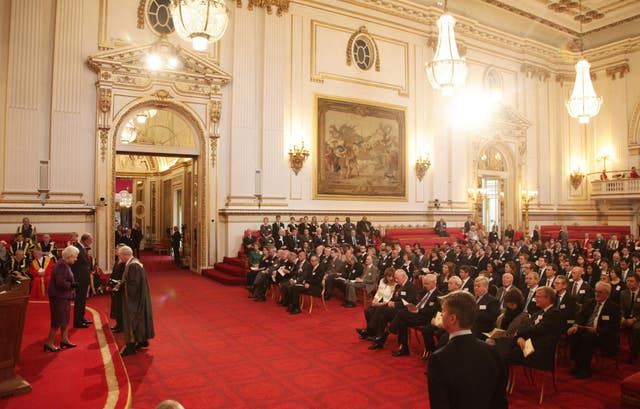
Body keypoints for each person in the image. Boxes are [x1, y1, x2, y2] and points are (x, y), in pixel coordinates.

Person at [427, 291, 508, 409]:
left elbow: (439, 404)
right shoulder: (492, 351)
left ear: (452, 318)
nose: (441, 315)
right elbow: (500, 399)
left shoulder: (438, 359)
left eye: (443, 311)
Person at [567, 281, 621, 378]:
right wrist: (575, 325)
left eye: (600, 292)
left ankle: (585, 368)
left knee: (587, 338)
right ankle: (578, 364)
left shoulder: (614, 308)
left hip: (603, 335)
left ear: (607, 294)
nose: (597, 294)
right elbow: (580, 316)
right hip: (586, 330)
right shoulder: (590, 302)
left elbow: (613, 327)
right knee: (574, 334)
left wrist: (597, 330)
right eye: (596, 291)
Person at [116, 246, 155, 356]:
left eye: (119, 255)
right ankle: (142, 340)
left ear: (125, 255)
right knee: (140, 319)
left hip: (134, 299)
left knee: (132, 319)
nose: (119, 258)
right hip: (139, 297)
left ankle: (131, 346)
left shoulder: (133, 266)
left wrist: (120, 286)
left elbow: (133, 285)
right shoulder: (134, 262)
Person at [44, 245, 80, 352]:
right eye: (75, 257)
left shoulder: (64, 264)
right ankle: (49, 343)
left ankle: (64, 340)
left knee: (65, 320)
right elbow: (60, 282)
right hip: (59, 297)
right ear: (69, 256)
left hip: (63, 296)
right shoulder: (62, 265)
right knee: (57, 320)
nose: (76, 259)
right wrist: (72, 285)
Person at [486, 288, 530, 361]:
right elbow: (497, 325)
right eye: (508, 304)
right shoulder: (504, 313)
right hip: (499, 341)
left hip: (510, 344)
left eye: (512, 304)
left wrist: (507, 336)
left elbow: (522, 333)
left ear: (518, 303)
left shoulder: (524, 316)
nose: (510, 306)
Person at [72, 233, 93, 328]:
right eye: (90, 240)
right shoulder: (76, 248)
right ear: (85, 240)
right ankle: (77, 321)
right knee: (79, 300)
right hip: (79, 279)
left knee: (83, 300)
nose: (91, 242)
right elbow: (73, 265)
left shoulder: (83, 248)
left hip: (84, 278)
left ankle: (82, 317)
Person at [109, 244, 127, 333]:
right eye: (116, 248)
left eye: (117, 249)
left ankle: (121, 326)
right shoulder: (117, 260)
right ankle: (118, 324)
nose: (116, 250)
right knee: (115, 306)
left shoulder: (124, 262)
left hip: (120, 286)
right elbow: (114, 272)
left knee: (120, 307)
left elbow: (123, 276)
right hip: (115, 285)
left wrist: (118, 284)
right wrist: (110, 283)